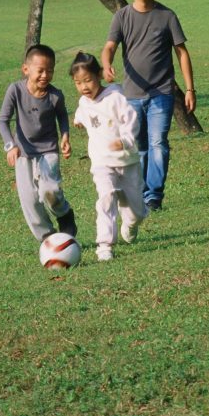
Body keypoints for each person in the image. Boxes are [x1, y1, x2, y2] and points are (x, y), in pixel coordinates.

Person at [101, 0, 195, 212]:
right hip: (131, 95)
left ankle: (154, 195)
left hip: (161, 93)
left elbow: (182, 53)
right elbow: (110, 46)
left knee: (158, 143)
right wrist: (106, 64)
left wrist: (189, 89)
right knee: (139, 147)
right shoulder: (122, 16)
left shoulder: (167, 16)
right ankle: (140, 193)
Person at [70, 52, 147, 262]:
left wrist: (125, 141)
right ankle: (104, 246)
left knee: (136, 212)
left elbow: (131, 119)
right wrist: (77, 120)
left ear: (99, 76)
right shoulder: (84, 102)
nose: (84, 87)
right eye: (78, 83)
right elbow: (81, 111)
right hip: (102, 163)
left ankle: (130, 224)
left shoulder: (115, 96)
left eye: (88, 80)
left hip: (127, 162)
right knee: (106, 198)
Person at [0, 44, 77, 242]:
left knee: (50, 190)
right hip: (23, 153)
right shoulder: (15, 90)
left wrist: (65, 136)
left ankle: (64, 215)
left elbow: (62, 117)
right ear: (26, 69)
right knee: (30, 201)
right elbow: (2, 120)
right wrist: (10, 145)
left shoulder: (55, 95)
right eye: (40, 70)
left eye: (50, 71)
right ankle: (49, 239)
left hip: (48, 151)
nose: (45, 75)